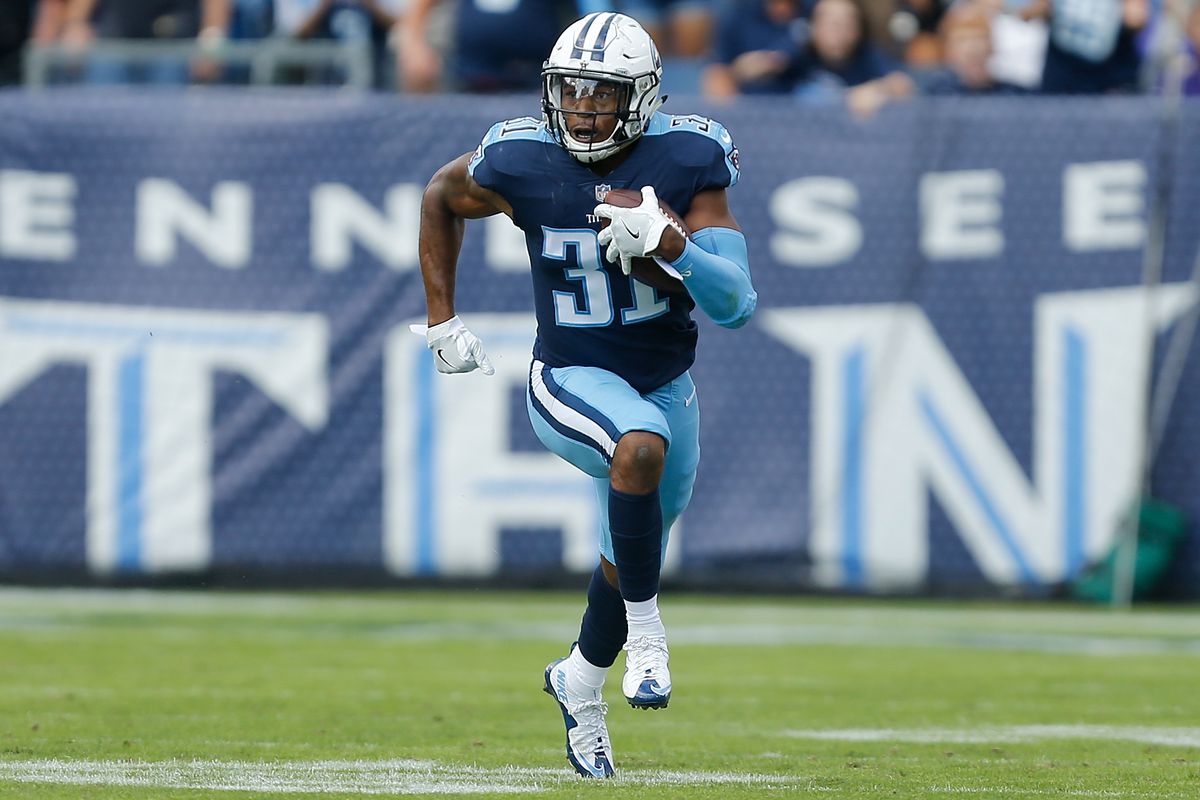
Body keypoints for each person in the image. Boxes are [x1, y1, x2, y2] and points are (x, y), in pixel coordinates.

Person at [411, 11, 756, 777]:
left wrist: (675, 248)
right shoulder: (522, 158)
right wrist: (442, 320)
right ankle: (649, 634)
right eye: (570, 93)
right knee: (637, 450)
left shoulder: (689, 156)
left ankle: (580, 679)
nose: (582, 110)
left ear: (643, 99)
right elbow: (441, 194)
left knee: (625, 546)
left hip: (664, 382)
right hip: (567, 376)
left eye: (601, 96)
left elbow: (737, 303)